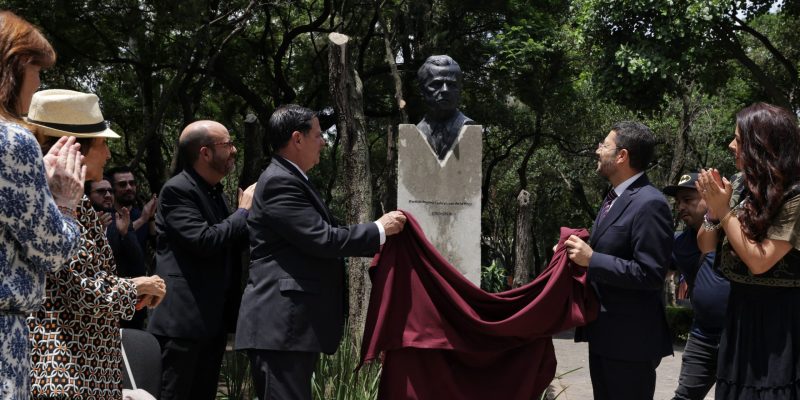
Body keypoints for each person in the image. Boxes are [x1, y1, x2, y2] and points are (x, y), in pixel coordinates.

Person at [235, 104, 407, 400]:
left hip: (289, 330)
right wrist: (379, 229)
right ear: (297, 139)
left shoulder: (292, 177)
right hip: (281, 329)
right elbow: (322, 239)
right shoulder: (279, 181)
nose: (324, 141)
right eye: (317, 135)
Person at [26, 89, 167, 399]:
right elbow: (82, 291)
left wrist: (135, 295)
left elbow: (82, 287)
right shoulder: (51, 202)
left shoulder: (76, 201)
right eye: (103, 143)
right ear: (74, 147)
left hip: (87, 371)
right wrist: (136, 286)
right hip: (63, 375)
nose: (107, 154)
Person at [0, 11, 84, 399]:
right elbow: (52, 250)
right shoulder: (13, 142)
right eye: (38, 73)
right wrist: (64, 203)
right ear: (16, 66)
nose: (38, 87)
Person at [696, 102, 800, 399]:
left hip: (781, 323)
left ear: (762, 145)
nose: (731, 146)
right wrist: (713, 214)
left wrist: (724, 211)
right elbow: (706, 246)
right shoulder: (742, 184)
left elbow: (760, 261)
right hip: (741, 314)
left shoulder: (795, 195)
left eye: (739, 140)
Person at [147, 120, 257, 400]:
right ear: (205, 153)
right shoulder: (177, 191)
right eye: (227, 144)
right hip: (181, 326)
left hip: (211, 323)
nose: (234, 150)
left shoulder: (214, 192)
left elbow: (230, 242)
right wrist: (242, 213)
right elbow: (205, 241)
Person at [564, 121, 673, 400]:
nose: (598, 151)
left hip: (631, 344)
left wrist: (593, 259)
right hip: (605, 336)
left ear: (622, 156)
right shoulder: (613, 197)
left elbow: (650, 274)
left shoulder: (650, 203)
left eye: (604, 145)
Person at [663, 173, 730, 400]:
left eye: (688, 200)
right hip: (702, 336)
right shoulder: (679, 243)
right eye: (678, 201)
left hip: (740, 337)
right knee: (684, 397)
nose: (681, 207)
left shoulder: (735, 233)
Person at [87, 178, 148, 329]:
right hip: (90, 311)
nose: (108, 195)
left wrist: (126, 233)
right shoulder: (76, 226)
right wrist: (94, 233)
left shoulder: (121, 223)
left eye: (110, 191)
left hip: (122, 312)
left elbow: (138, 265)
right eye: (101, 191)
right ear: (86, 197)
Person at [415, 55, 474, 160]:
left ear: (459, 89)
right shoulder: (418, 131)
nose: (445, 90)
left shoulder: (468, 127)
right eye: (437, 84)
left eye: (451, 85)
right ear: (422, 90)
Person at [107, 165, 157, 255]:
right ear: (112, 189)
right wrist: (142, 219)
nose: (129, 188)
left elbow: (156, 244)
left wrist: (151, 217)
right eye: (122, 184)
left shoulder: (140, 214)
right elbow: (113, 241)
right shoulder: (106, 217)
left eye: (132, 183)